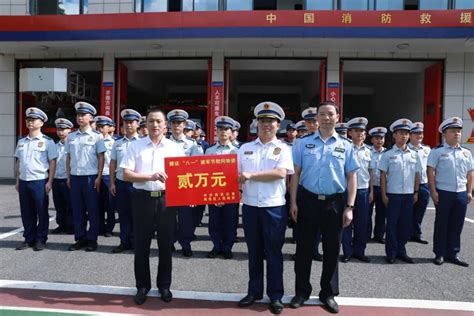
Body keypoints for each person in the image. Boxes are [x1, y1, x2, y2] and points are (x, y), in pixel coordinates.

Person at [289, 101, 358, 314]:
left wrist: (350, 206)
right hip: (307, 200)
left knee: (331, 250)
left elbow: (352, 177)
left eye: (330, 114)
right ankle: (301, 291)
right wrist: (293, 202)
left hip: (335, 202)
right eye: (322, 114)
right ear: (316, 118)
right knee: (304, 249)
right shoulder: (302, 143)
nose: (326, 118)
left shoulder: (346, 145)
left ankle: (327, 293)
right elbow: (295, 174)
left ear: (337, 116)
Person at [121, 107, 184, 305]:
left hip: (166, 200)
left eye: (158, 121)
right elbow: (126, 174)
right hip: (142, 199)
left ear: (166, 126)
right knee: (141, 245)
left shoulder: (175, 148)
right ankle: (142, 286)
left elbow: (185, 175)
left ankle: (164, 285)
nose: (155, 125)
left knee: (166, 245)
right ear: (145, 124)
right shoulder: (135, 146)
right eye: (151, 121)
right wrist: (151, 176)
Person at [237, 101, 294, 315]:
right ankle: (254, 292)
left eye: (270, 121)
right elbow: (234, 176)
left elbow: (281, 173)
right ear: (256, 124)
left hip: (273, 208)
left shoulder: (284, 148)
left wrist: (251, 175)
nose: (266, 125)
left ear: (278, 125)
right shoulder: (245, 149)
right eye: (262, 121)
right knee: (253, 252)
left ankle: (276, 295)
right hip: (251, 207)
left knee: (273, 252)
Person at [427, 117, 472, 267]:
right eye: (453, 131)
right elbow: (430, 171)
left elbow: (470, 173)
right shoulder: (437, 151)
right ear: (445, 134)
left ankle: (453, 253)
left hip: (460, 192)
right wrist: (433, 191)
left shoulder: (466, 152)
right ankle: (439, 253)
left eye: (458, 131)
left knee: (456, 224)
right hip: (444, 192)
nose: (457, 134)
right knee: (442, 223)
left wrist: (469, 191)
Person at [379, 119, 421, 264]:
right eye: (401, 133)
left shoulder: (414, 154)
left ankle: (401, 251)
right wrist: (384, 194)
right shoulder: (387, 154)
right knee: (391, 224)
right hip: (393, 194)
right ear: (394, 136)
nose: (404, 136)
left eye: (406, 133)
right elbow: (383, 176)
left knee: (405, 224)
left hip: (409, 195)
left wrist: (416, 192)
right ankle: (391, 252)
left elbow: (417, 174)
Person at [14, 107, 57, 251]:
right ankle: (29, 239)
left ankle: (41, 239)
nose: (30, 122)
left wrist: (50, 181)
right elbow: (18, 161)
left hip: (39, 180)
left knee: (41, 211)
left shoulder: (47, 141)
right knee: (26, 211)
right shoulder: (21, 141)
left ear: (41, 123)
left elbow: (52, 162)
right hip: (24, 180)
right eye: (28, 120)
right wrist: (18, 180)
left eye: (33, 120)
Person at [66, 102, 106, 252]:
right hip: (75, 178)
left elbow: (101, 157)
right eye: (78, 115)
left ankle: (92, 239)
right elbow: (68, 157)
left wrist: (99, 177)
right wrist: (69, 176)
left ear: (90, 117)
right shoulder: (71, 136)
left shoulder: (97, 136)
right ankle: (80, 238)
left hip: (90, 177)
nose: (80, 117)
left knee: (93, 209)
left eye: (83, 115)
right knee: (77, 209)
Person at [167, 109, 203, 257]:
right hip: (167, 186)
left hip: (185, 186)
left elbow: (197, 167)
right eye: (174, 123)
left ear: (184, 125)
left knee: (185, 218)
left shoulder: (192, 145)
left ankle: (185, 244)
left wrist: (195, 191)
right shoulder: (163, 143)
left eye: (180, 123)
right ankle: (169, 243)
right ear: (169, 125)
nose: (177, 126)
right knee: (167, 217)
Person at [205, 116, 239, 259]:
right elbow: (204, 173)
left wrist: (239, 191)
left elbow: (239, 174)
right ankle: (216, 246)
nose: (223, 132)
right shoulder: (209, 151)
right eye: (221, 129)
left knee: (230, 221)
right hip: (214, 191)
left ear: (231, 132)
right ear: (216, 131)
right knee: (214, 221)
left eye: (227, 129)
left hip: (231, 192)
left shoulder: (238, 151)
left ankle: (227, 247)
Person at [341, 117, 372, 263]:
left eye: (362, 131)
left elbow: (371, 172)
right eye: (356, 131)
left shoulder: (369, 151)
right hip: (347, 190)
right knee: (346, 222)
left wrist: (371, 191)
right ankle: (347, 251)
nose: (359, 133)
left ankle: (360, 251)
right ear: (350, 133)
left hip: (363, 191)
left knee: (362, 223)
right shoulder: (344, 148)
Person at [110, 109, 141, 253]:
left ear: (137, 124)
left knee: (137, 214)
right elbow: (113, 163)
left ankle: (136, 242)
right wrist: (112, 182)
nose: (128, 125)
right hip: (121, 182)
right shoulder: (117, 143)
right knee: (123, 214)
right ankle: (124, 241)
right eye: (126, 122)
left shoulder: (142, 142)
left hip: (137, 184)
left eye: (131, 122)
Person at [408, 122, 431, 244]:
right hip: (409, 185)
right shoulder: (406, 149)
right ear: (410, 135)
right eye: (416, 133)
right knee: (408, 211)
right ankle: (406, 233)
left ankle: (416, 234)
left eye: (421, 133)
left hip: (424, 184)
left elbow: (431, 168)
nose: (419, 136)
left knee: (420, 210)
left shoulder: (427, 149)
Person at [52, 118, 74, 235]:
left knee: (71, 203)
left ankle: (71, 225)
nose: (60, 132)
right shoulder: (54, 146)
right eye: (59, 129)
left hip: (68, 178)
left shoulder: (72, 145)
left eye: (63, 129)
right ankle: (61, 224)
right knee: (59, 203)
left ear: (69, 130)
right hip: (56, 178)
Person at [96, 116, 116, 237]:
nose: (100, 129)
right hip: (97, 175)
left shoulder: (114, 143)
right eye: (98, 126)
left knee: (110, 204)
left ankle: (109, 228)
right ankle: (100, 227)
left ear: (109, 128)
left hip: (109, 175)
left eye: (103, 126)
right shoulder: (95, 140)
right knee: (98, 204)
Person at [367, 127, 387, 244]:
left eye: (381, 138)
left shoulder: (388, 153)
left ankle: (379, 235)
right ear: (372, 140)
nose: (379, 140)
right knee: (367, 213)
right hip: (370, 187)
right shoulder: (367, 151)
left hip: (383, 187)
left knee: (382, 213)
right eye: (377, 138)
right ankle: (366, 234)